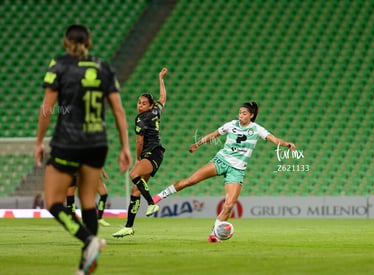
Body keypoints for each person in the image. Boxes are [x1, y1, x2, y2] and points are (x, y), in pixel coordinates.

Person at [34, 24, 132, 274]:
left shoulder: (59, 66)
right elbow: (118, 110)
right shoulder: (103, 67)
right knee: (88, 200)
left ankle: (88, 240)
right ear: (89, 42)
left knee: (53, 202)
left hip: (67, 143)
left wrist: (39, 141)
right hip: (97, 143)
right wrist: (125, 146)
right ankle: (85, 263)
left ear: (66, 42)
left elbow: (47, 108)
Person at [152, 101, 296, 242]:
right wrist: (198, 144)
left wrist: (287, 144)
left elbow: (274, 139)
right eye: (240, 112)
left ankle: (213, 234)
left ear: (251, 115)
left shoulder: (257, 129)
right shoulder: (231, 125)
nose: (241, 115)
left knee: (229, 205)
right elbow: (214, 134)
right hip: (221, 161)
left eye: (244, 113)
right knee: (192, 180)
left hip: (237, 170)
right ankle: (159, 196)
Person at [112, 67, 168, 238]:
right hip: (157, 154)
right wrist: (161, 79)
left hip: (151, 153)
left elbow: (139, 141)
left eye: (143, 103)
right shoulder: (156, 110)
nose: (140, 105)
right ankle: (129, 226)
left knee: (133, 174)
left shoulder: (140, 119)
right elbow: (163, 98)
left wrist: (138, 158)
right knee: (135, 191)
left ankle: (151, 203)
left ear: (149, 105)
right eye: (139, 102)